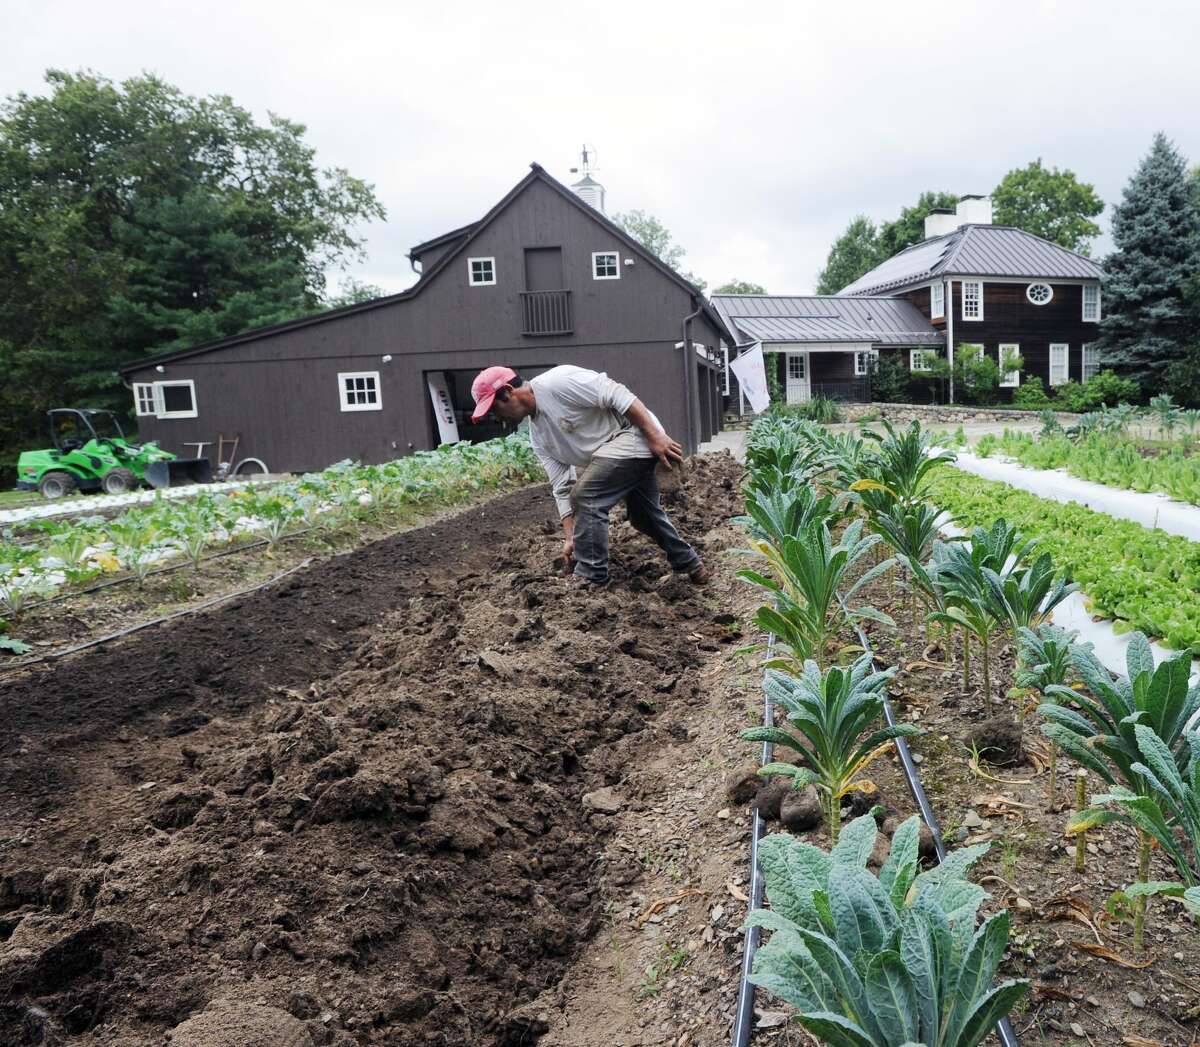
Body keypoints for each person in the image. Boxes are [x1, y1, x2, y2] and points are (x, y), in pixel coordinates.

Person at [469, 364, 709, 586]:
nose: (496, 418)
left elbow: (617, 394)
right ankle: (689, 564)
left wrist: (654, 436)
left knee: (587, 494)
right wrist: (571, 537)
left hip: (635, 434)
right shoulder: (539, 438)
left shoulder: (557, 382)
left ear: (508, 392)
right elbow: (562, 486)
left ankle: (591, 577)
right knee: (643, 516)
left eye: (494, 408)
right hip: (615, 453)